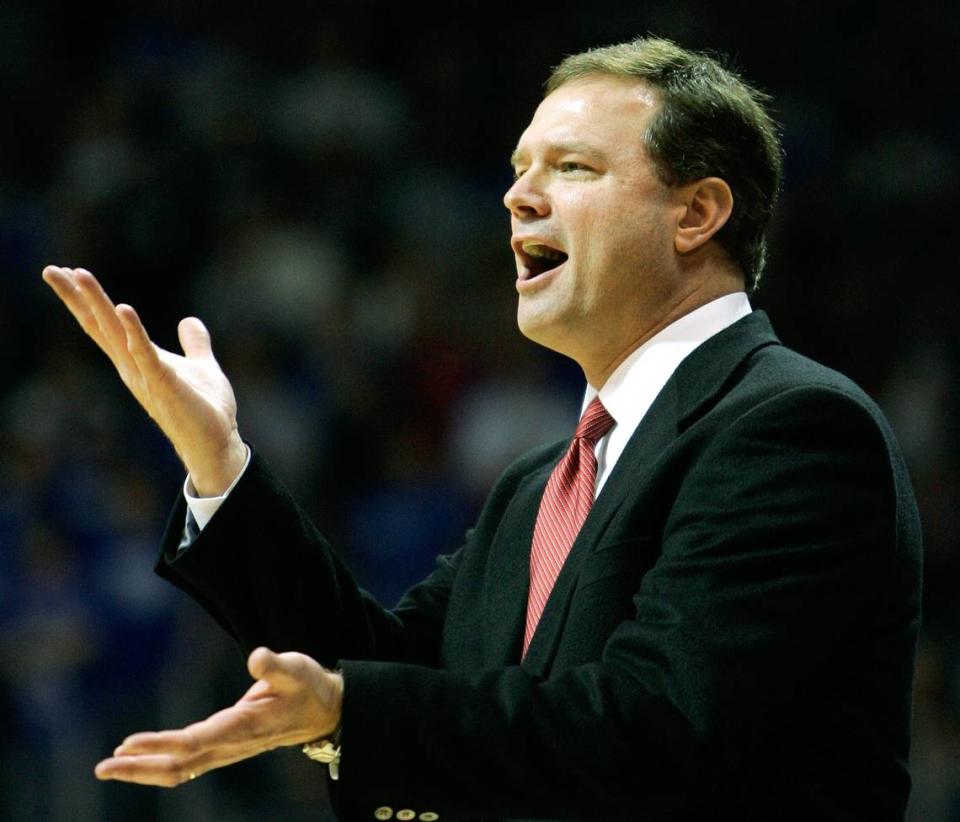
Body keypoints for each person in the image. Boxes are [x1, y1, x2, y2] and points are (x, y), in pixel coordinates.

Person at [43, 36, 921, 822]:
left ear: (696, 213)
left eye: (571, 168)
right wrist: (219, 462)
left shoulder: (794, 429)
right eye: (517, 168)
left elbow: (654, 726)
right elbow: (383, 672)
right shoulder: (537, 486)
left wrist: (353, 710)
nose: (516, 197)